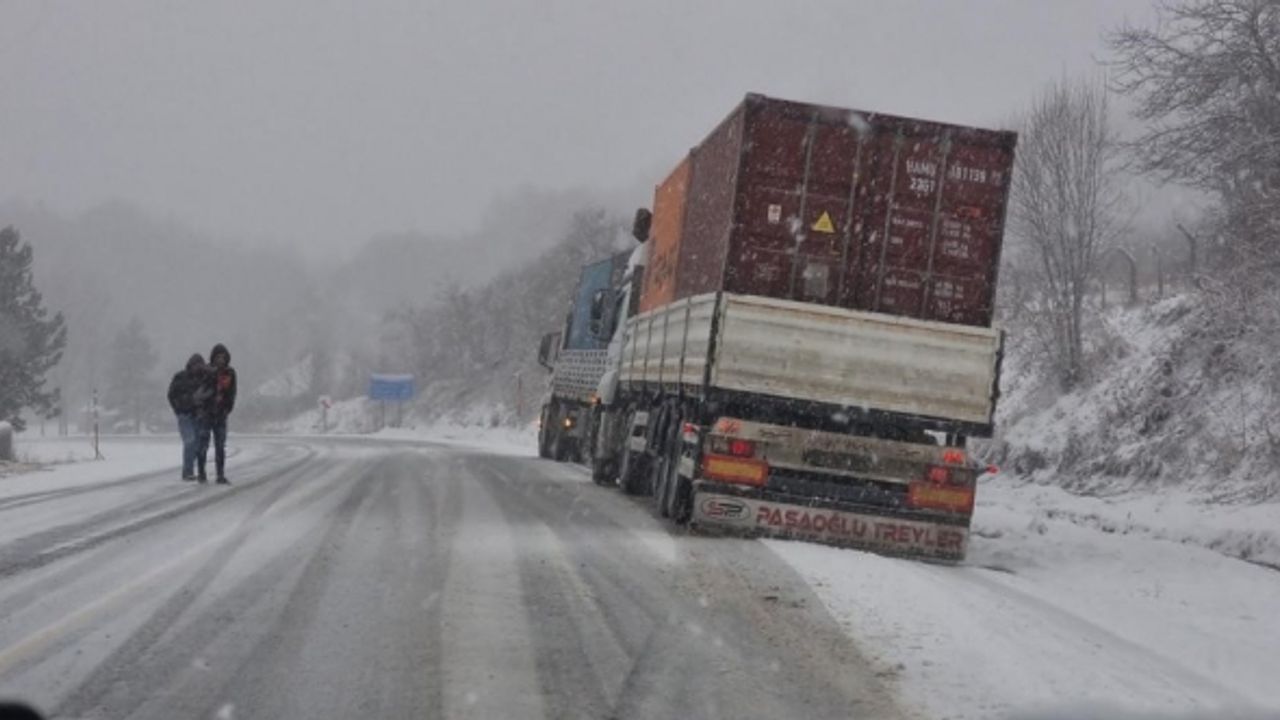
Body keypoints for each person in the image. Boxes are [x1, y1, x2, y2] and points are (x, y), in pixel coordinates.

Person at [195, 343, 237, 485]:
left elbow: (231, 394)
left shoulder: (230, 373)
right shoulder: (206, 371)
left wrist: (226, 409)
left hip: (220, 414)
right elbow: (200, 390)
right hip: (206, 414)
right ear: (213, 358)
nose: (220, 360)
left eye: (223, 357)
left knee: (220, 445)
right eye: (218, 357)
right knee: (203, 444)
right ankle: (201, 473)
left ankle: (220, 474)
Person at [166, 353, 207, 481]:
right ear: (190, 365)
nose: (197, 367)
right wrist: (178, 409)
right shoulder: (180, 377)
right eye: (195, 365)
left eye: (200, 365)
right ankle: (188, 471)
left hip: (199, 415)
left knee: (198, 444)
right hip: (185, 415)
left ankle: (190, 468)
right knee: (190, 440)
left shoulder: (205, 379)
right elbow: (171, 395)